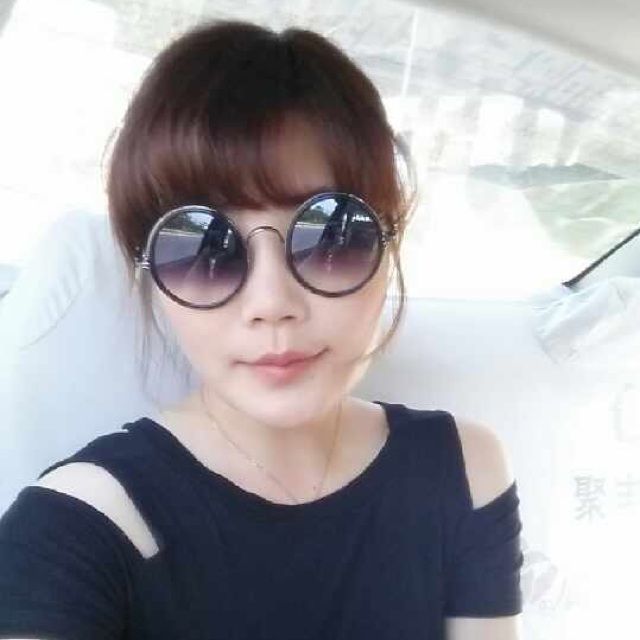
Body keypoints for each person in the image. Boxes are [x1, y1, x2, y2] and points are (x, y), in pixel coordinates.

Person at [0, 19, 524, 640]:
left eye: (332, 236)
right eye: (202, 248)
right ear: (152, 278)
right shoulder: (72, 530)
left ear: (391, 245)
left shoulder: (464, 470)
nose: (272, 303)